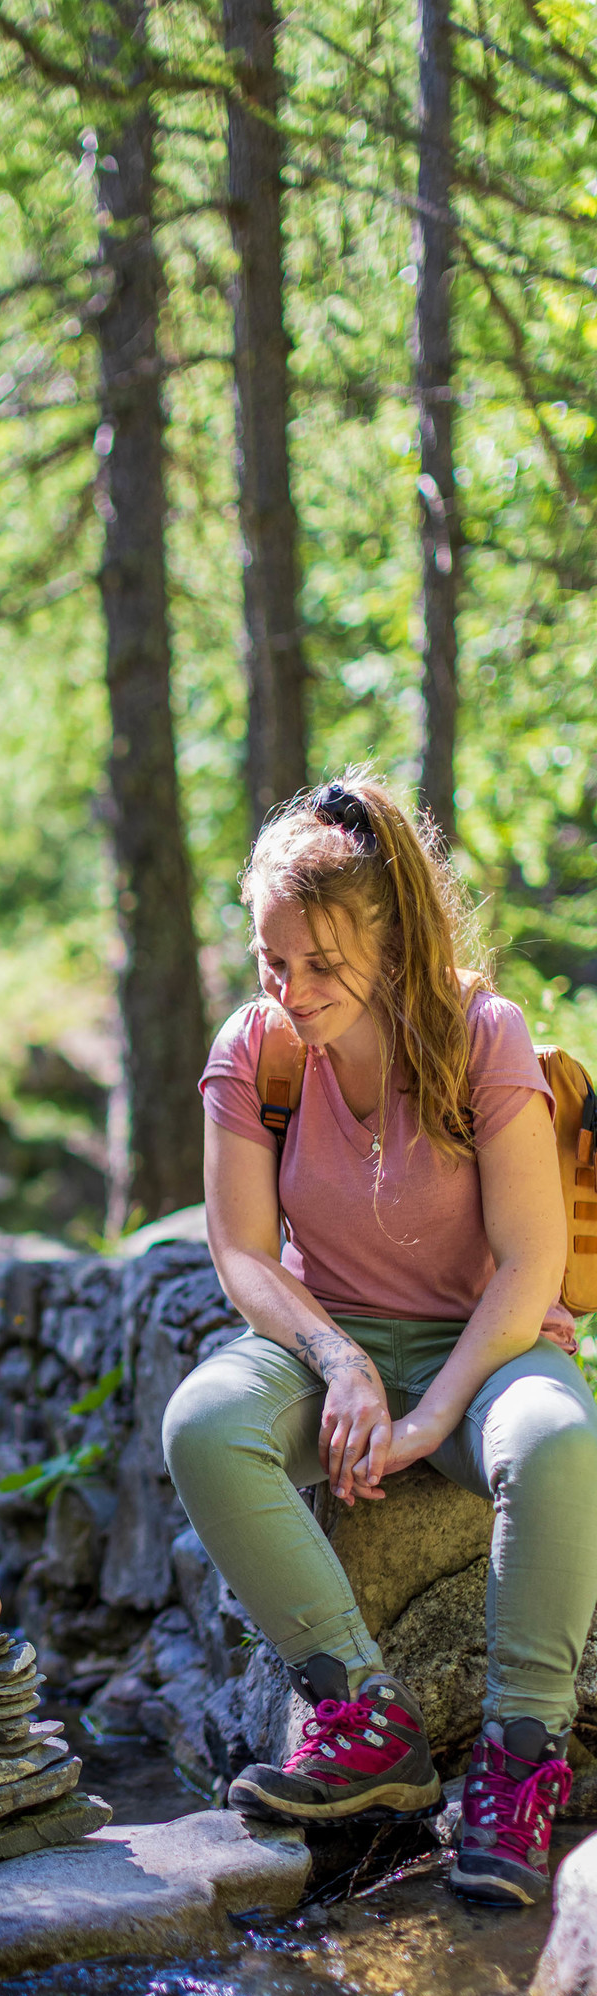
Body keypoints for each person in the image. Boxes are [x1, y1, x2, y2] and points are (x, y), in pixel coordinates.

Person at [162, 775, 597, 1907]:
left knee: (554, 1439)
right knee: (203, 1423)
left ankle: (518, 1765)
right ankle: (365, 1725)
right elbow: (243, 1257)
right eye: (270, 960)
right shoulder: (253, 1051)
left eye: (319, 964)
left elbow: (527, 1266)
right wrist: (341, 1362)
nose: (289, 990)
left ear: (391, 941)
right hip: (321, 1337)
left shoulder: (480, 1033)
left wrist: (429, 1419)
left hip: (486, 1341)